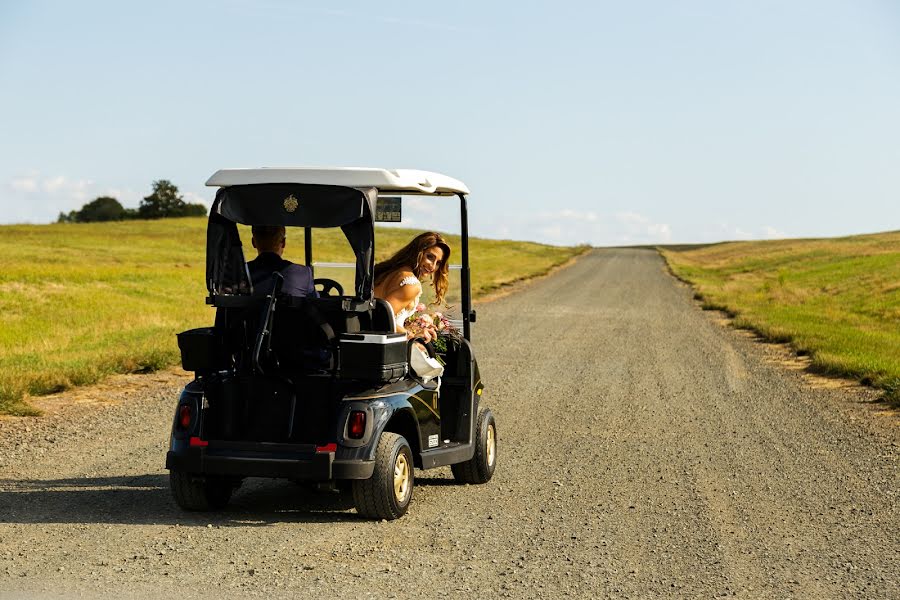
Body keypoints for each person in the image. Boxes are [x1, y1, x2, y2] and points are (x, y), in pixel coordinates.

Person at [373, 231, 451, 343]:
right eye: (430, 257)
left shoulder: (388, 271)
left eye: (438, 262)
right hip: (389, 346)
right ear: (418, 252)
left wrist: (411, 326)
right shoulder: (411, 285)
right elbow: (380, 319)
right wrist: (413, 336)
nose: (432, 266)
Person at [246, 225, 317, 297]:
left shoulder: (241, 274)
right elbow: (316, 303)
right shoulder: (303, 273)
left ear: (253, 242)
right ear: (283, 243)